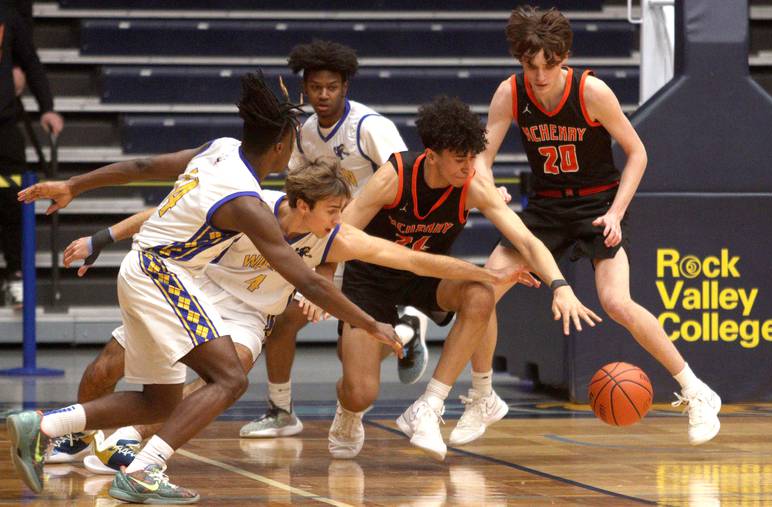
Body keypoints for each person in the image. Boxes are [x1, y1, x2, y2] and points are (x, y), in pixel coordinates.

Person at [8, 72, 404, 504]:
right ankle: (144, 470)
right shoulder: (246, 201)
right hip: (161, 273)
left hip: (147, 269)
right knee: (230, 378)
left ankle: (44, 426)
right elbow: (306, 278)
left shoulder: (220, 148)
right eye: (291, 142)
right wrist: (371, 324)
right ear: (279, 146)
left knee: (159, 402)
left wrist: (74, 185)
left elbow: (143, 168)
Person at [46, 158, 529, 474]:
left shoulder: (334, 235)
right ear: (301, 204)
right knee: (112, 361)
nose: (341, 219)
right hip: (196, 288)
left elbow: (413, 261)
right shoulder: (246, 208)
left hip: (250, 315)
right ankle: (75, 435)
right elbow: (162, 212)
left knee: (220, 376)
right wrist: (101, 240)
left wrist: (484, 275)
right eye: (333, 209)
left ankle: (133, 447)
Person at [462, 5, 721, 447]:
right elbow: (482, 156)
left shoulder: (591, 91)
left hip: (597, 206)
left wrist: (618, 212)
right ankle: (483, 396)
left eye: (550, 64)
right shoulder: (510, 93)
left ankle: (697, 391)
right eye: (531, 65)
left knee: (616, 302)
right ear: (519, 60)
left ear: (564, 57)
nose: (540, 75)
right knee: (483, 289)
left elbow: (637, 153)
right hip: (545, 209)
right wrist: (489, 187)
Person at [329, 95, 600, 462]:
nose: (469, 166)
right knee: (360, 392)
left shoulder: (472, 184)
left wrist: (560, 285)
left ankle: (430, 404)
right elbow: (339, 233)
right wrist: (322, 279)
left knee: (481, 293)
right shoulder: (394, 176)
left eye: (473, 157)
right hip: (371, 278)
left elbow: (525, 239)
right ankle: (349, 408)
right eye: (460, 159)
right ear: (432, 154)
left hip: (427, 273)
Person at [239, 39, 423, 441]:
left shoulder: (370, 127)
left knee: (344, 349)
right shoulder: (304, 133)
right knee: (284, 323)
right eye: (316, 87)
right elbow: (297, 193)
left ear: (346, 88)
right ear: (305, 89)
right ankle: (281, 409)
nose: (323, 95)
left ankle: (403, 328)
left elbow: (408, 176)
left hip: (370, 243)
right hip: (328, 239)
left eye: (332, 87)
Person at [0, 4, 63, 307]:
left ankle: (14, 275)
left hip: (4, 124)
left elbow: (31, 62)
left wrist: (47, 108)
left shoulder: (7, 14)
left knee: (14, 202)